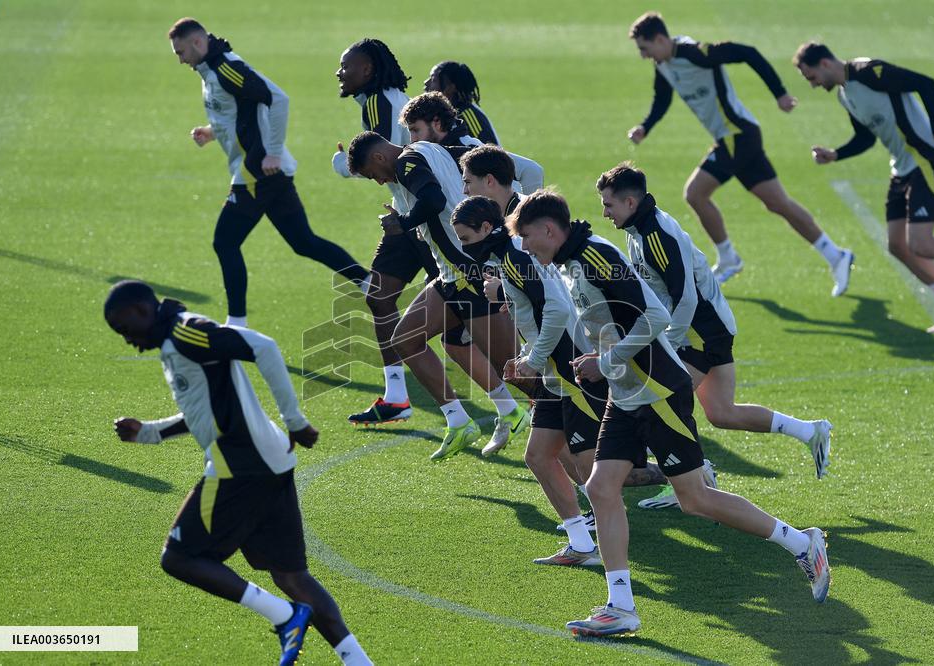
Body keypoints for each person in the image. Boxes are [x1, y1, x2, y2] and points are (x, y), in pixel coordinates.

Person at [509, 191, 831, 637]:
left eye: (525, 236)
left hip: (658, 391)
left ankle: (801, 543)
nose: (524, 247)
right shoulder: (571, 262)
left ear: (548, 229)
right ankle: (621, 606)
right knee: (601, 488)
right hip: (627, 395)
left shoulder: (596, 256)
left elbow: (655, 317)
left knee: (694, 499)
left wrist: (604, 362)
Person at [103, 280, 371, 666]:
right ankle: (359, 662)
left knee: (179, 557)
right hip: (269, 462)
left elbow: (263, 346)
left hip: (241, 467)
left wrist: (295, 419)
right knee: (292, 577)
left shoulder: (186, 332)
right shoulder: (173, 340)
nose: (126, 339)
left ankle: (286, 617)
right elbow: (205, 410)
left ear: (143, 312)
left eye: (124, 328)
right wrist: (148, 432)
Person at [596, 163, 832, 509]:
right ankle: (810, 431)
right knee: (722, 413)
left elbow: (686, 297)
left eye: (608, 205)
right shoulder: (639, 228)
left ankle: (692, 482)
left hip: (699, 332)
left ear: (630, 202)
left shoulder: (656, 235)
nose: (604, 212)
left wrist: (670, 343)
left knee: (657, 403)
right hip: (710, 326)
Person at [452, 196, 669, 565]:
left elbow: (557, 308)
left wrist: (534, 360)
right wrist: (528, 356)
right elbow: (541, 309)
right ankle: (582, 543)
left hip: (570, 375)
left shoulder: (516, 261)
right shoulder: (511, 263)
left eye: (466, 239)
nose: (463, 247)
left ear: (487, 230)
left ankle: (677, 476)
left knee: (593, 471)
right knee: (538, 456)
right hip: (555, 376)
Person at [626, 12, 854, 295]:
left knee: (695, 194)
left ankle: (729, 258)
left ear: (660, 39)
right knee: (778, 203)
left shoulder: (696, 53)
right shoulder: (663, 64)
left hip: (737, 136)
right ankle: (836, 256)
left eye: (644, 48)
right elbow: (662, 98)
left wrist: (780, 93)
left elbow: (748, 53)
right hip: (739, 138)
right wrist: (645, 127)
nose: (643, 55)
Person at [168, 18, 367, 328]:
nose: (180, 60)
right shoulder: (211, 69)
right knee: (304, 242)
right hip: (269, 173)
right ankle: (369, 285)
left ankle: (237, 324)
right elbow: (236, 112)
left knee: (225, 242)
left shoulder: (225, 68)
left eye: (180, 52)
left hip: (257, 171)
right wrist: (211, 132)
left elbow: (277, 99)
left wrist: (273, 150)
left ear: (197, 43)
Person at [347, 132, 531, 459]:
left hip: (472, 275)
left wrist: (402, 223)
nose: (379, 182)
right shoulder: (428, 149)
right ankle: (461, 421)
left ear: (377, 158)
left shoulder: (406, 162)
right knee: (405, 339)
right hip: (450, 277)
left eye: (373, 175)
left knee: (519, 374)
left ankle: (591, 434)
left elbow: (432, 199)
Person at [793, 42, 934, 333]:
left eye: (811, 77)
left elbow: (925, 84)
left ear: (824, 64)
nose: (813, 85)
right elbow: (865, 138)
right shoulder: (844, 96)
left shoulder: (869, 72)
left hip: (925, 158)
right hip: (901, 168)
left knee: (922, 244)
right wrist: (836, 154)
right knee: (898, 246)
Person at [333, 38, 435, 426]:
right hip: (407, 216)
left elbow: (374, 157)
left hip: (422, 217)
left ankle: (531, 394)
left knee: (471, 308)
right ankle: (396, 398)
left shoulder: (378, 102)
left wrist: (343, 164)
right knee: (379, 296)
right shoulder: (389, 97)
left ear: (368, 71)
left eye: (347, 66)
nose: (340, 73)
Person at [399, 92, 544, 193]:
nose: (412, 139)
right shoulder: (435, 154)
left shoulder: (471, 149)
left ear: (437, 123)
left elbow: (531, 170)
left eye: (416, 130)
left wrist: (524, 220)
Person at [424, 61, 499, 144]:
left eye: (433, 79)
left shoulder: (467, 116)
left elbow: (491, 151)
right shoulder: (443, 113)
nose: (426, 82)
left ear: (451, 87)